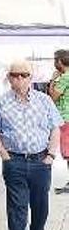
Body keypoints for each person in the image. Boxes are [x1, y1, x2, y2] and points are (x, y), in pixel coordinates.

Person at [0, 59, 62, 230]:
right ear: (8, 77)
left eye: (24, 75)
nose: (19, 79)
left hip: (40, 160)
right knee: (17, 205)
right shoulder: (0, 102)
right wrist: (5, 156)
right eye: (15, 75)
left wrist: (51, 155)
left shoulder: (44, 101)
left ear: (31, 77)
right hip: (15, 161)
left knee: (40, 205)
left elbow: (55, 127)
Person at [49, 50, 69, 194]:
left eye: (55, 60)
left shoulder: (64, 78)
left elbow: (53, 97)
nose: (54, 63)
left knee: (68, 153)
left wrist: (52, 80)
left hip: (66, 119)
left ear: (60, 61)